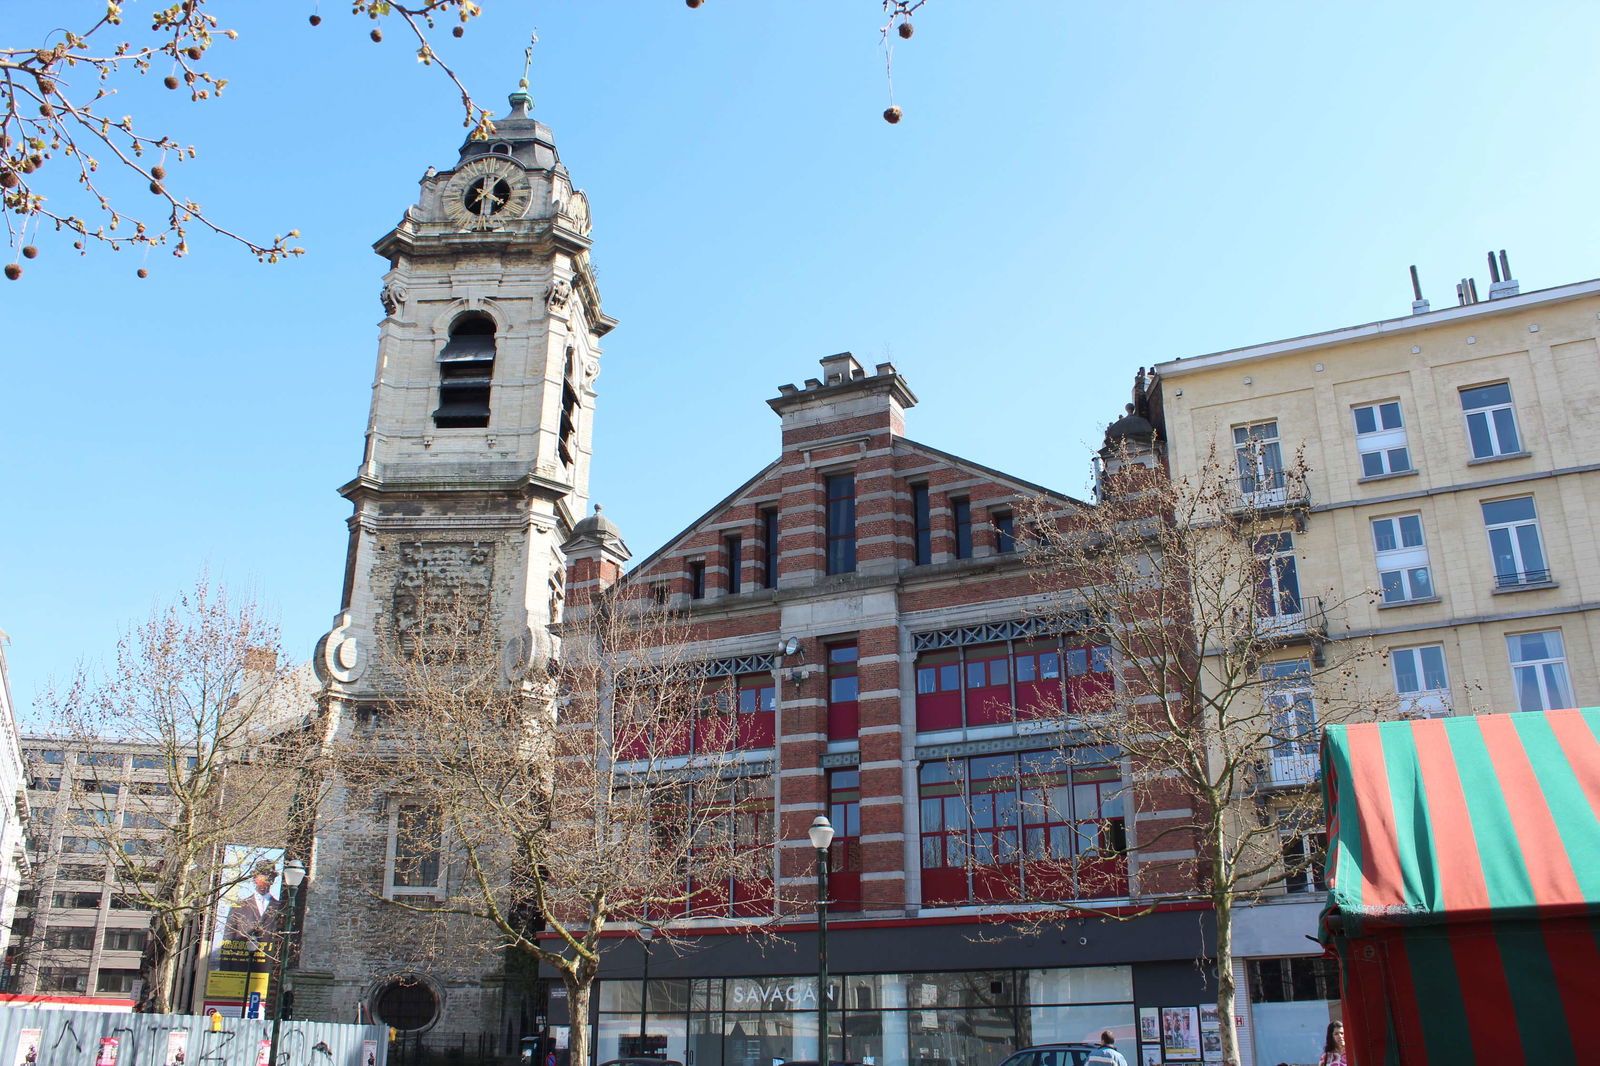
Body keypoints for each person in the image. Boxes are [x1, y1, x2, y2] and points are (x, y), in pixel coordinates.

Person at [224, 860, 283, 943]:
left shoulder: (280, 908)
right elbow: (227, 940)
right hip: (241, 954)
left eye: (269, 877)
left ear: (273, 880)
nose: (265, 880)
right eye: (261, 876)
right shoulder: (238, 907)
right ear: (254, 879)